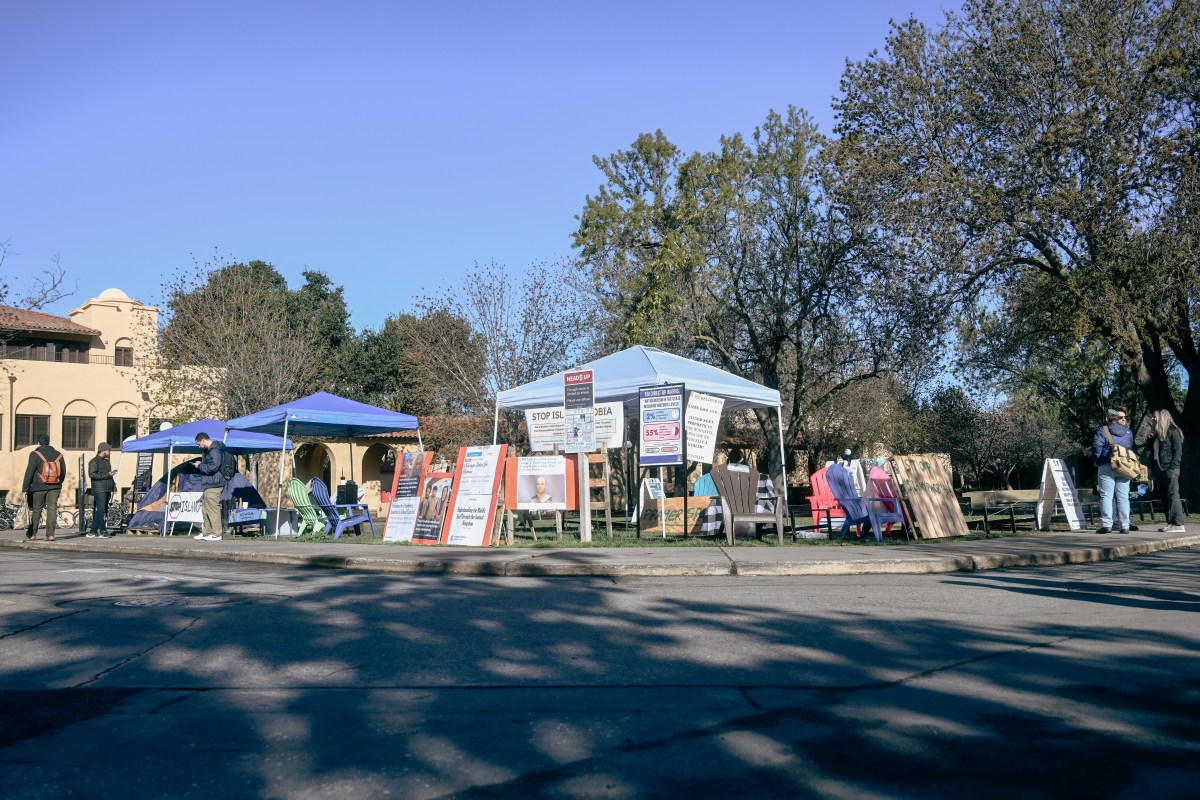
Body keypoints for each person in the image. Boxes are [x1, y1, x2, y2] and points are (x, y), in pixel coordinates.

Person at [1092, 408, 1134, 534]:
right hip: (1123, 466)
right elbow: (1129, 446)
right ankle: (1125, 525)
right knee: (1123, 497)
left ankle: (1107, 524)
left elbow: (1096, 447)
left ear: (1107, 419)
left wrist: (1098, 460)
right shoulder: (1128, 432)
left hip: (1106, 464)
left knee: (1106, 495)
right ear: (1118, 418)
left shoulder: (1102, 431)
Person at [22, 434, 65, 541]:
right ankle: (50, 535)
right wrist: (58, 482)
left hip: (38, 486)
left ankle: (33, 534)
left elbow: (30, 471)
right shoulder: (59, 454)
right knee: (52, 510)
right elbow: (63, 472)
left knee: (37, 510)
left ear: (38, 442)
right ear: (49, 441)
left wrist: (25, 488)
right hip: (55, 486)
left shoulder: (35, 454)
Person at [1149, 409, 1186, 533]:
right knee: (1164, 495)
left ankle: (1178, 523)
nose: (1152, 419)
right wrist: (1150, 439)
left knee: (1172, 494)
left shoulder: (1173, 431)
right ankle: (1170, 522)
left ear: (1162, 417)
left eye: (1154, 417)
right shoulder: (1158, 434)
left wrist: (1172, 467)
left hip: (1170, 468)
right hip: (1159, 469)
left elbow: (1177, 451)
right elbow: (1153, 453)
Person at [191, 432, 228, 541]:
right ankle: (206, 532)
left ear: (203, 440)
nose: (199, 447)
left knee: (213, 509)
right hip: (209, 483)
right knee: (205, 509)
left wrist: (200, 466)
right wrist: (201, 464)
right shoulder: (210, 451)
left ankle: (217, 534)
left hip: (215, 483)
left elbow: (213, 467)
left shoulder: (215, 450)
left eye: (199, 444)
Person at [86, 442, 117, 538]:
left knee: (102, 510)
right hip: (99, 489)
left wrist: (113, 486)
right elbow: (92, 475)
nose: (110, 452)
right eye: (108, 451)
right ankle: (103, 531)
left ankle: (92, 531)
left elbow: (109, 476)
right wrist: (108, 475)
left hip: (107, 488)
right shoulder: (94, 461)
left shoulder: (106, 461)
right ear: (103, 451)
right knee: (100, 510)